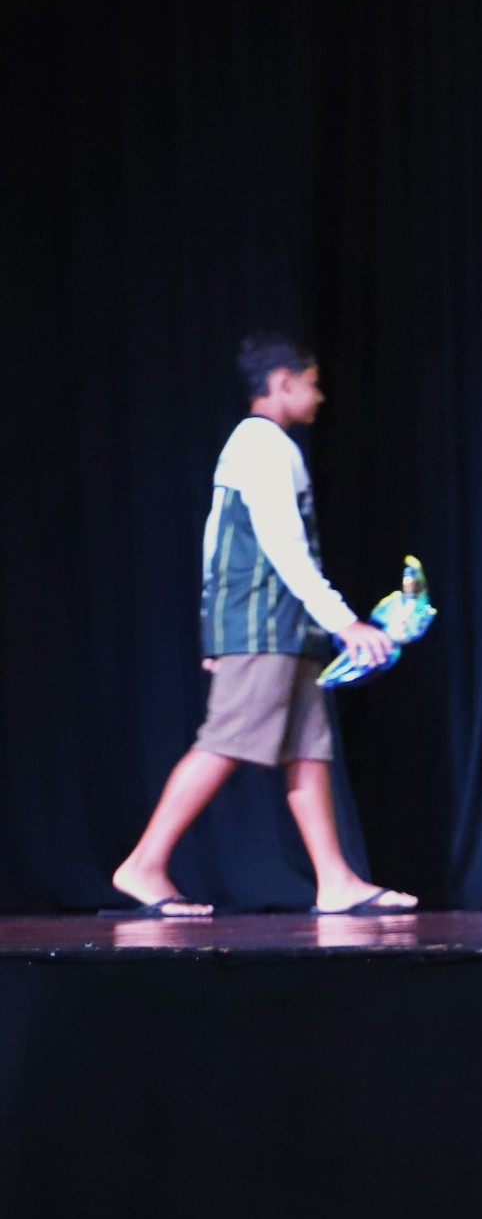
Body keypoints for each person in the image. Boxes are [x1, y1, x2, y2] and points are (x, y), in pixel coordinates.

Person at [111, 333, 409, 918]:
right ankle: (143, 863)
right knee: (225, 740)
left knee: (307, 748)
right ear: (283, 382)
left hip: (281, 626)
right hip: (262, 625)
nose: (319, 396)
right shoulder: (264, 445)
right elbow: (284, 548)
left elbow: (215, 541)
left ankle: (335, 880)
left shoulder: (262, 446)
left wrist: (212, 627)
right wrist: (346, 623)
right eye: (312, 384)